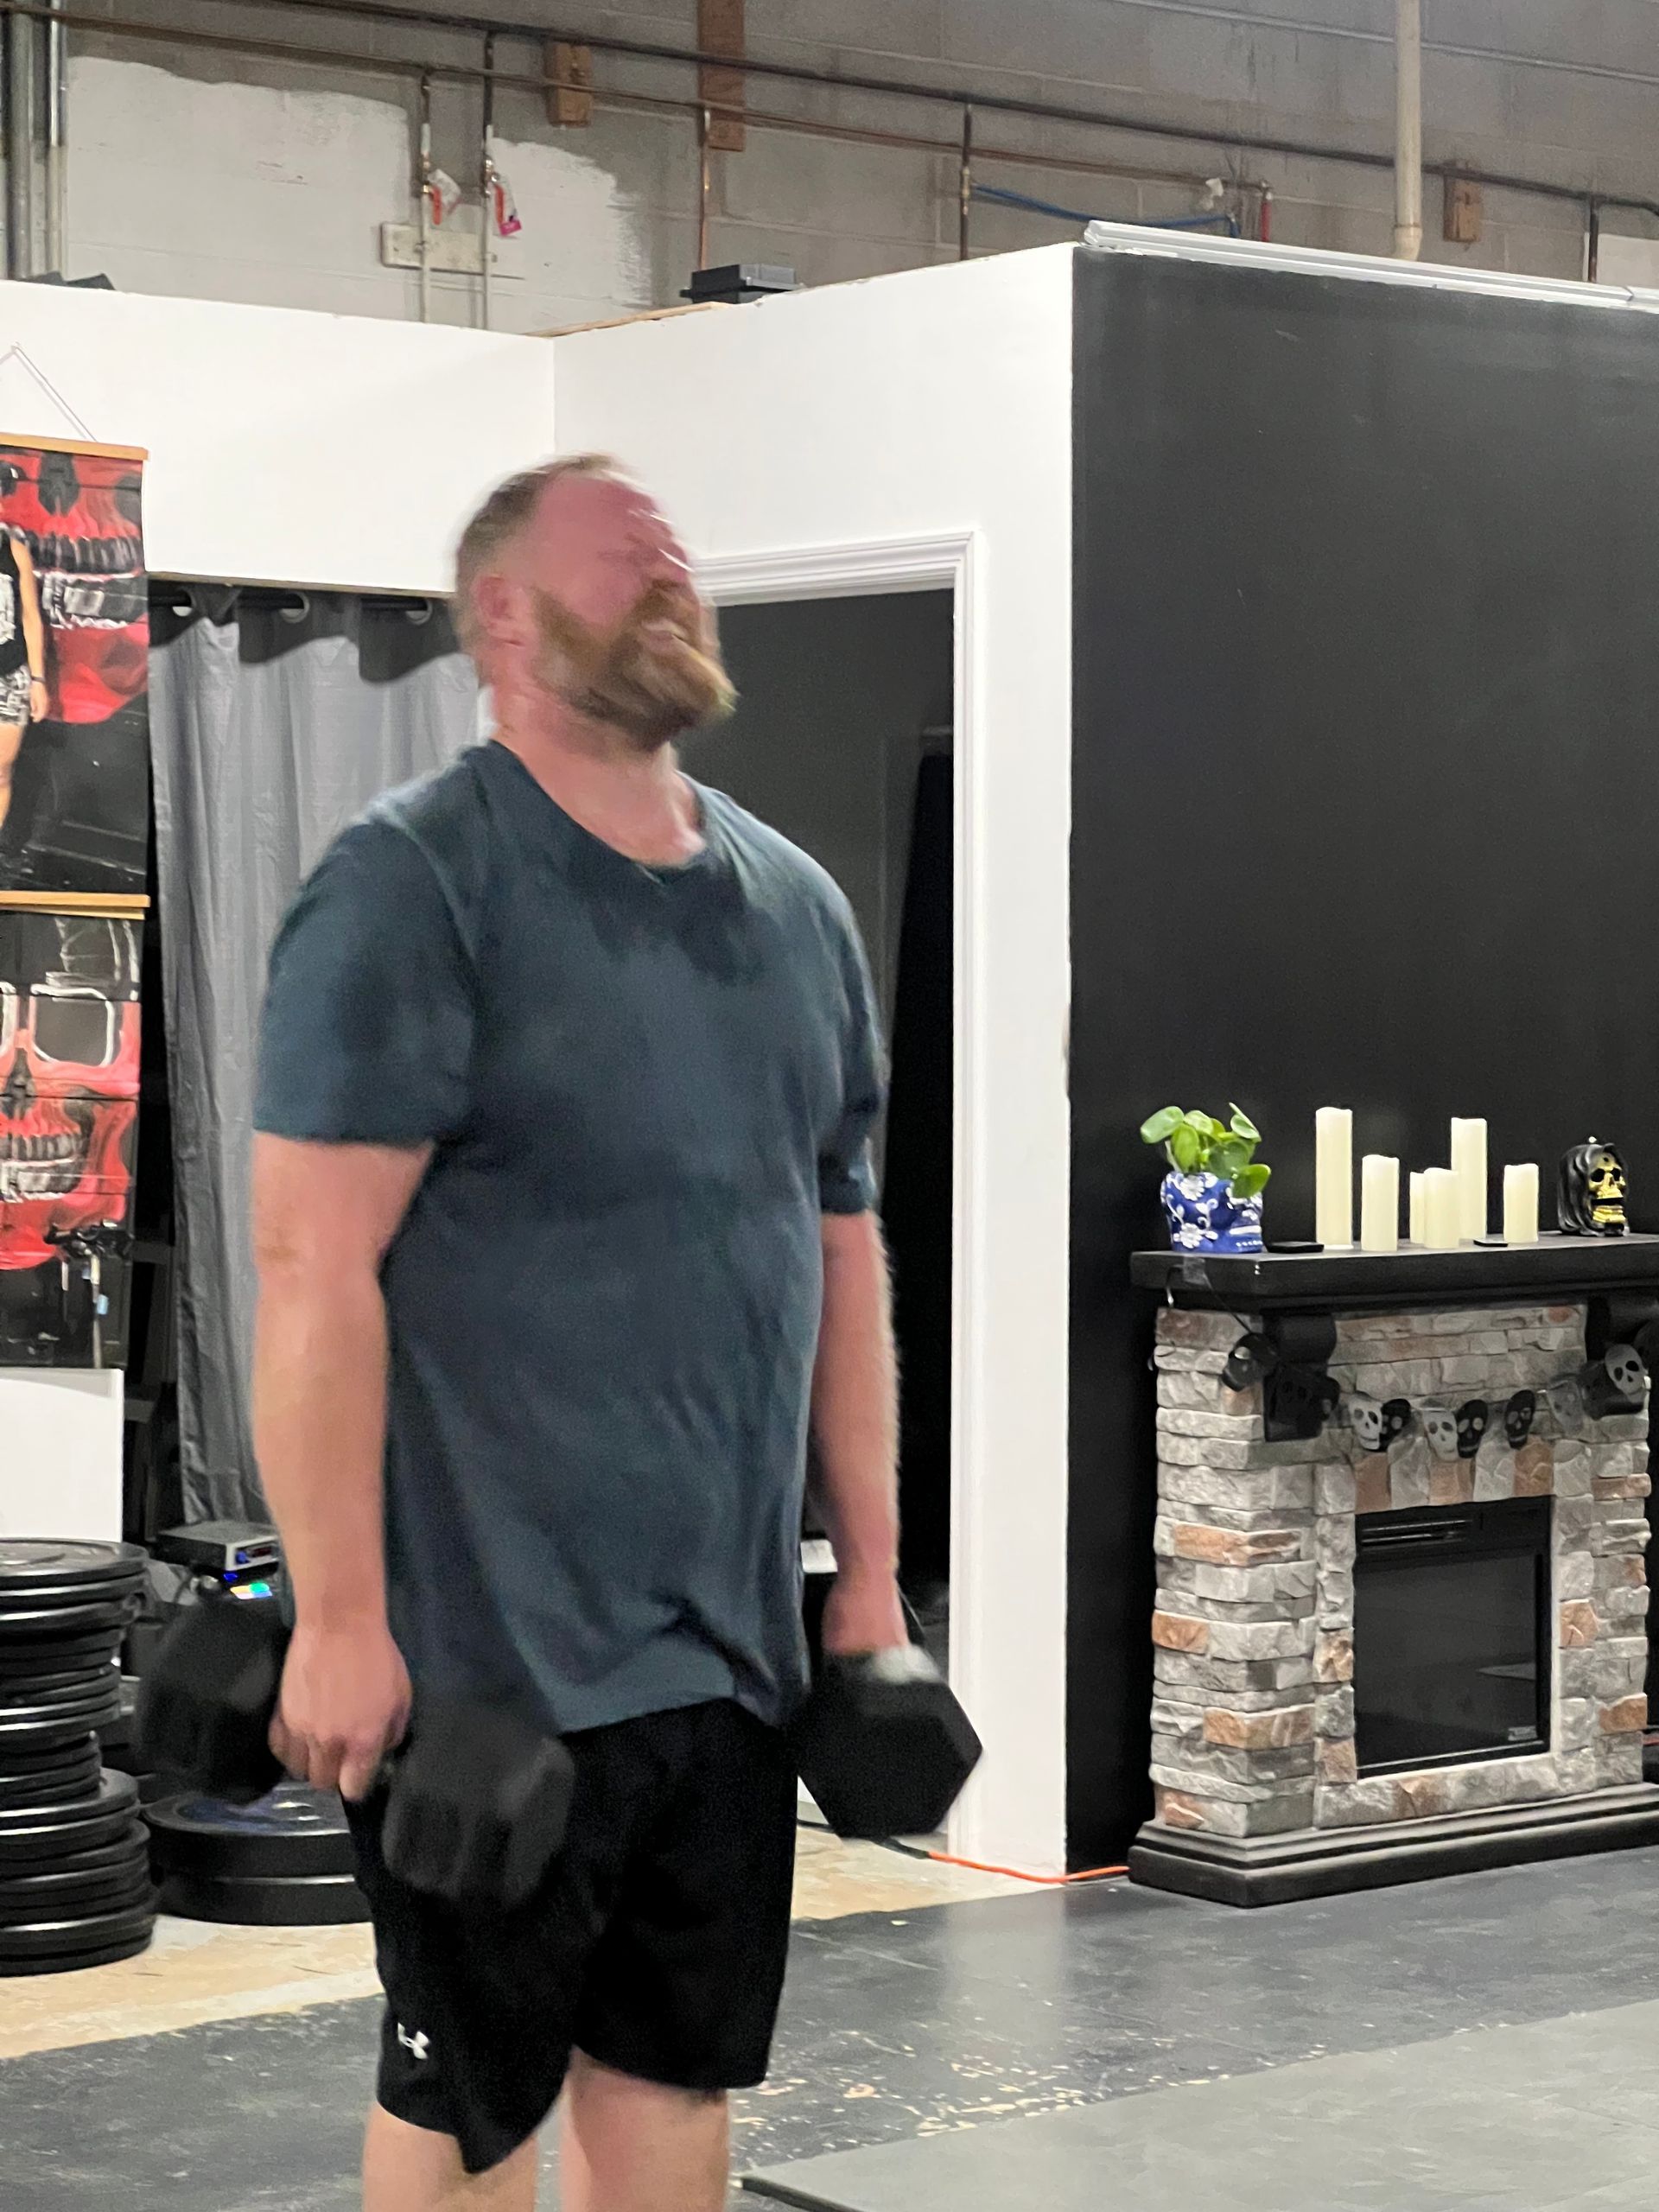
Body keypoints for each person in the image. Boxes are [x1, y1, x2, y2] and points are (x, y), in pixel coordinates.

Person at [251, 454, 907, 2212]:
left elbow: (840, 1253)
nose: (672, 575)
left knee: (678, 2081)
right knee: (475, 2102)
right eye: (625, 555)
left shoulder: (798, 911)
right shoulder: (416, 887)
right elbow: (310, 1265)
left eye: (680, 553)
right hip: (488, 1657)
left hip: (730, 1655)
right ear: (507, 618)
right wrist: (339, 1618)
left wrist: (868, 1577)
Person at [0, 526, 48, 839]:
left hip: (8, 677)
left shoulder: (13, 550)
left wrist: (38, 679)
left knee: (1, 773)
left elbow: (30, 617)